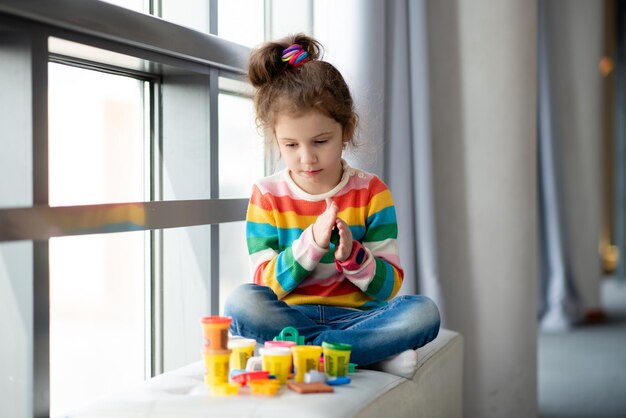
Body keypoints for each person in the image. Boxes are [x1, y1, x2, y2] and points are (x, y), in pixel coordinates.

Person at [224, 33, 440, 377]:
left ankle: (303, 352)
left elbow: (390, 286)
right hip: (291, 315)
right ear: (275, 138)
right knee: (240, 303)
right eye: (291, 144)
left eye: (320, 141)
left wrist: (353, 257)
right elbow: (266, 286)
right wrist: (310, 245)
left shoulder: (371, 192)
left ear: (346, 129)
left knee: (423, 312)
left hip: (360, 317)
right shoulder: (267, 195)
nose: (306, 158)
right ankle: (356, 352)